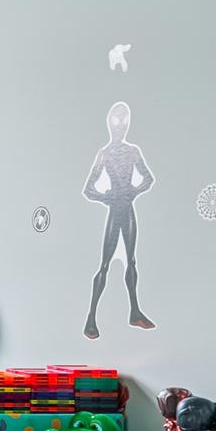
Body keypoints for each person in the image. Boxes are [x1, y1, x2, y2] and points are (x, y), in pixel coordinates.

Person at [81, 101, 157, 338]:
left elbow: (148, 178)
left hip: (128, 208)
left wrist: (133, 191)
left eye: (124, 120)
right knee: (104, 264)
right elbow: (88, 189)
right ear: (109, 123)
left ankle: (135, 312)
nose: (120, 125)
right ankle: (90, 318)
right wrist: (107, 197)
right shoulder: (104, 154)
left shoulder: (133, 151)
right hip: (115, 209)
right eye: (116, 120)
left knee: (131, 261)